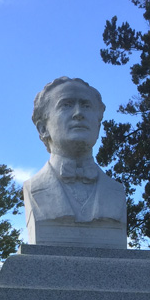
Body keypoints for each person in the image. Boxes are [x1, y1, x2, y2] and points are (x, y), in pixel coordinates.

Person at [24, 77, 127, 248]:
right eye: (66, 105)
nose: (79, 113)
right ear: (43, 128)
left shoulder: (116, 192)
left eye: (86, 106)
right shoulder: (34, 188)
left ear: (98, 124)